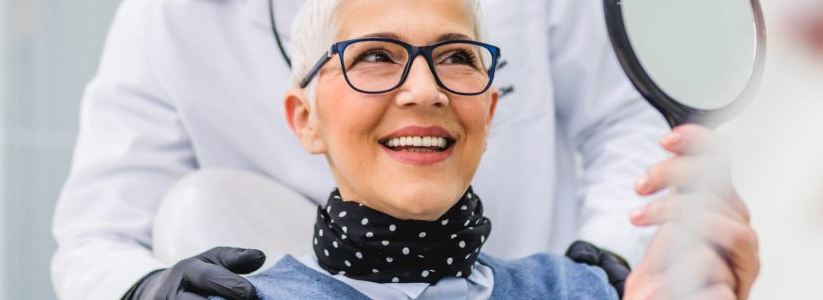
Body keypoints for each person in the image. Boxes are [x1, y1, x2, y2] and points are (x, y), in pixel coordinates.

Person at [121, 0, 757, 298]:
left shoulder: (572, 291)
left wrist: (616, 271)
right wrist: (142, 292)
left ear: (491, 104)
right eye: (374, 57)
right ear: (304, 120)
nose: (424, 92)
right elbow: (99, 229)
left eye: (457, 58)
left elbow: (623, 120)